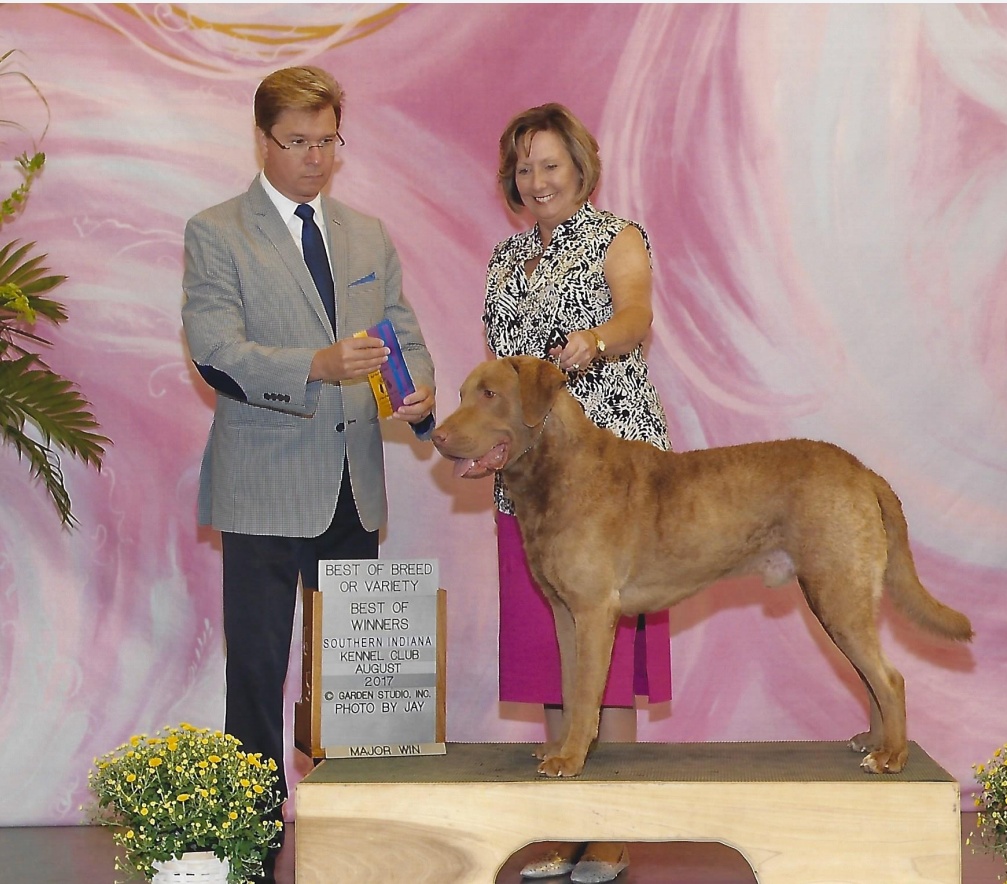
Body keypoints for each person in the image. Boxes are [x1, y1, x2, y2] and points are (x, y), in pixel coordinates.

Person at [181, 65, 436, 878]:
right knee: (258, 673)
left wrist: (421, 398)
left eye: (327, 141)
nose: (315, 158)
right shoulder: (216, 232)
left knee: (357, 676)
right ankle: (252, 844)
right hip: (261, 484)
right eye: (297, 142)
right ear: (262, 140)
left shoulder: (367, 233)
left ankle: (357, 836)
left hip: (353, 484)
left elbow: (401, 333)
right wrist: (315, 366)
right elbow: (214, 351)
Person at [483, 103, 672, 884]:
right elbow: (500, 376)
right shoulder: (504, 258)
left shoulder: (615, 237)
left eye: (550, 165)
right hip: (529, 484)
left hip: (608, 478)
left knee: (605, 655)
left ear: (580, 167)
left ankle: (612, 833)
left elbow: (635, 315)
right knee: (549, 659)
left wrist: (596, 339)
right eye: (523, 167)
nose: (536, 180)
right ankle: (568, 827)